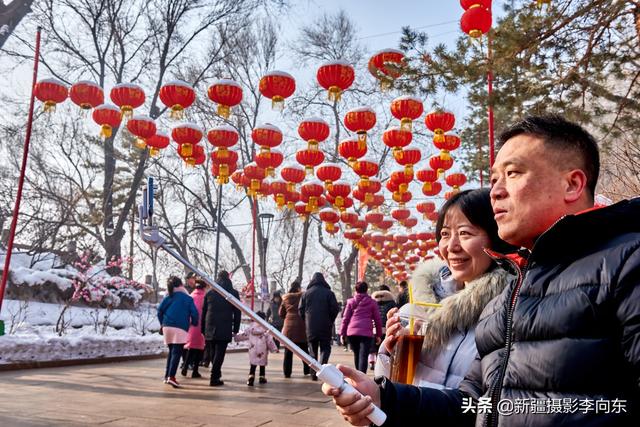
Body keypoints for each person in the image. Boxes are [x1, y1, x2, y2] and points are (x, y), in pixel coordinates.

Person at [322, 115, 640, 426]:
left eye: (513, 173)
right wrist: (383, 396)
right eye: (493, 180)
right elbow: (476, 405)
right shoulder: (509, 297)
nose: (496, 192)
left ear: (572, 184)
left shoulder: (627, 262)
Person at [374, 189, 515, 390]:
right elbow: (389, 386)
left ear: (496, 237)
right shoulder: (420, 309)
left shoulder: (511, 312)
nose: (451, 246)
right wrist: (390, 353)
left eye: (465, 233)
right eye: (445, 234)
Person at [201, 270, 241, 387]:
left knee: (213, 351)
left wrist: (202, 328)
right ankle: (214, 377)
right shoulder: (233, 293)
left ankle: (216, 374)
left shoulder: (210, 293)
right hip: (224, 326)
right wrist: (236, 329)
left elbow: (204, 312)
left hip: (210, 325)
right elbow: (237, 312)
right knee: (220, 352)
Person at [157, 276, 198, 388]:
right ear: (181, 285)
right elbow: (194, 313)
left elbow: (159, 311)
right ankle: (172, 377)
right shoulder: (187, 298)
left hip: (167, 327)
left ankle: (167, 376)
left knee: (172, 352)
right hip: (180, 327)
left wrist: (162, 324)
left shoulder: (168, 296)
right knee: (177, 352)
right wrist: (194, 322)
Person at [299, 272, 340, 381]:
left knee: (312, 350)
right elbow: (335, 309)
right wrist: (330, 319)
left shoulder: (306, 294)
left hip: (311, 326)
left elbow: (300, 310)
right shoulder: (329, 293)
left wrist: (306, 320)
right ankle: (321, 370)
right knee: (325, 348)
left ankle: (313, 372)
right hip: (325, 325)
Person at [340, 281, 383, 374]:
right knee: (363, 355)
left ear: (355, 289)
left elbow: (345, 318)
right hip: (366, 332)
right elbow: (377, 320)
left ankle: (357, 375)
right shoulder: (372, 302)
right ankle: (361, 376)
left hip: (352, 332)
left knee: (357, 354)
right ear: (367, 290)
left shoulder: (350, 302)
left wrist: (342, 334)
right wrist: (378, 335)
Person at [235, 311, 278, 386]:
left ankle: (251, 377)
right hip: (262, 350)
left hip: (253, 349)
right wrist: (274, 349)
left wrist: (236, 338)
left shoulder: (251, 328)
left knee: (253, 364)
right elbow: (269, 341)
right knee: (262, 364)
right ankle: (262, 377)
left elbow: (244, 335)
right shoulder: (266, 329)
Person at [279, 280, 311, 378]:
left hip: (288, 328)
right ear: (298, 288)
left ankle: (287, 372)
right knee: (304, 351)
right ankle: (307, 370)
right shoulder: (303, 297)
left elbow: (281, 313)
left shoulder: (285, 298)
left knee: (288, 352)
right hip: (301, 327)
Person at [181, 278, 207, 378]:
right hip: (201, 325)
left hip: (191, 325)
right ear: (204, 287)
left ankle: (185, 366)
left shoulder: (190, 296)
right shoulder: (205, 297)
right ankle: (195, 371)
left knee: (191, 347)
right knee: (199, 349)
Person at [368, 285, 396, 370]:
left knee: (373, 347)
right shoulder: (392, 303)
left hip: (374, 328)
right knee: (385, 348)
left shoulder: (372, 301)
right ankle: (382, 365)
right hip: (388, 328)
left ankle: (371, 361)